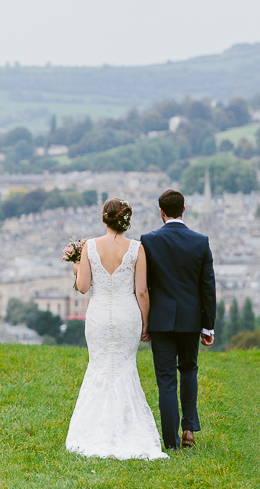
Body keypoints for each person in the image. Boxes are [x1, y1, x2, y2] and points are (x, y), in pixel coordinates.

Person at [65, 198, 168, 460]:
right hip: (127, 316)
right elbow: (142, 291)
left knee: (98, 367)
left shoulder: (89, 247)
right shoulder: (136, 249)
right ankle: (128, 429)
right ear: (126, 221)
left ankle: (91, 432)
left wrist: (77, 268)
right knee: (124, 368)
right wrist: (146, 322)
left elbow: (84, 287)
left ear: (104, 218)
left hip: (99, 316)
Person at [140, 189, 216, 450]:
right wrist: (208, 326)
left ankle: (171, 443)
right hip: (190, 320)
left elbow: (143, 285)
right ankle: (189, 430)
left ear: (161, 212)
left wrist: (144, 321)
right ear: (184, 209)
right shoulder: (200, 241)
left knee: (166, 381)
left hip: (160, 320)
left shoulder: (148, 241)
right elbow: (208, 287)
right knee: (189, 370)